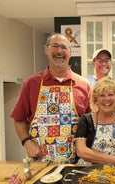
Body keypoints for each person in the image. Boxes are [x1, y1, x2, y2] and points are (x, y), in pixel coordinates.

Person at [10, 32, 91, 164]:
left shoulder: (83, 85)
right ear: (46, 49)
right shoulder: (31, 83)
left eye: (64, 47)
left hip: (74, 164)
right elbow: (18, 119)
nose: (59, 51)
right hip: (40, 163)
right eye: (55, 46)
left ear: (70, 52)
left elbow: (91, 124)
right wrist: (26, 142)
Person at [75, 77, 115, 164]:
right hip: (91, 171)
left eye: (111, 94)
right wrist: (113, 160)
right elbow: (81, 151)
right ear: (96, 100)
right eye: (102, 95)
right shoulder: (86, 120)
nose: (106, 99)